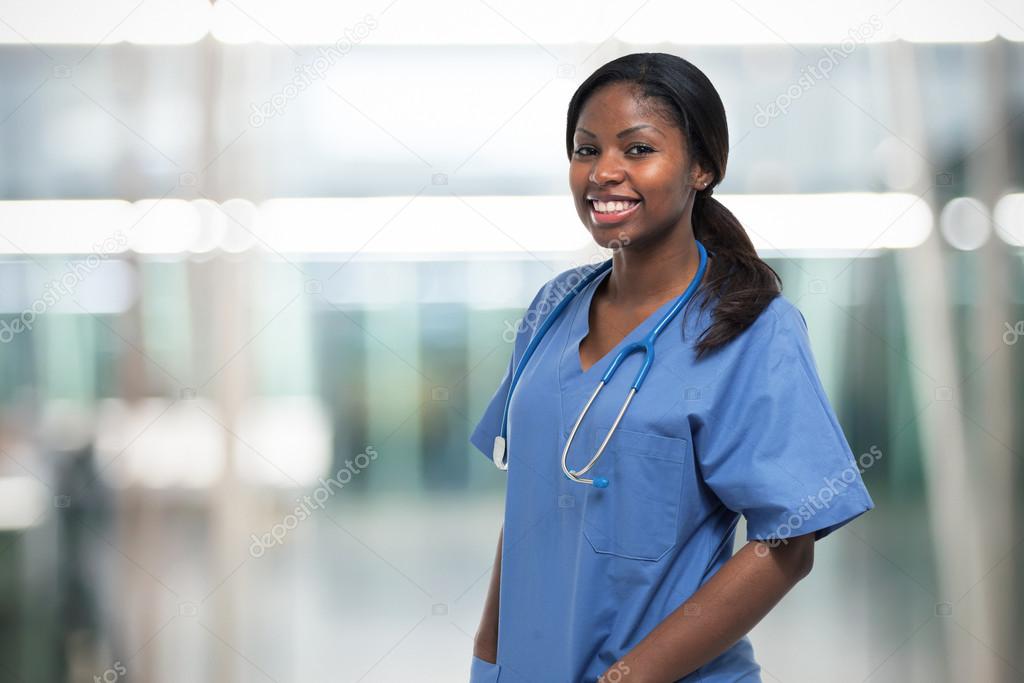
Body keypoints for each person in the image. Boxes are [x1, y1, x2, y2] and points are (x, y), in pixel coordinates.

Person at [468, 52, 874, 683]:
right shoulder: (553, 307)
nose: (603, 172)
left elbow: (788, 544)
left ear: (702, 168)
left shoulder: (750, 327)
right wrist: (486, 661)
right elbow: (526, 508)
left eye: (637, 150)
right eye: (585, 150)